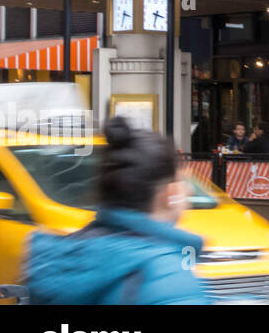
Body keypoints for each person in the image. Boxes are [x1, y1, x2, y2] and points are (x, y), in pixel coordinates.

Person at [25, 117, 210, 304]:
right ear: (169, 194)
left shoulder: (64, 259)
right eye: (181, 180)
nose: (189, 189)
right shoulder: (167, 276)